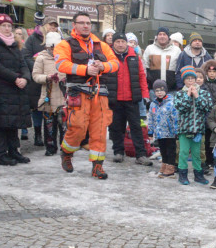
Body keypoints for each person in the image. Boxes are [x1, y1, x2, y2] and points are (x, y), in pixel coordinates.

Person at [54, 12, 120, 178]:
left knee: (99, 130)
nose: (85, 26)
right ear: (73, 25)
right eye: (81, 23)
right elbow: (61, 64)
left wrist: (102, 66)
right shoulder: (65, 44)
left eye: (88, 23)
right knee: (77, 128)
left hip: (99, 93)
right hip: (78, 93)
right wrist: (85, 69)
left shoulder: (101, 45)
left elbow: (115, 63)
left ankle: (97, 166)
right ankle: (66, 153)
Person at [0, 14, 33, 166]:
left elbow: (23, 63)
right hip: (0, 88)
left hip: (16, 89)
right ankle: (1, 154)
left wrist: (25, 78)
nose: (7, 29)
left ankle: (14, 150)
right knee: (0, 122)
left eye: (9, 26)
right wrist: (15, 78)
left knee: (13, 122)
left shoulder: (14, 43)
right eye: (3, 26)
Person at [106, 32, 151, 165]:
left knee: (136, 127)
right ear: (113, 44)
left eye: (122, 42)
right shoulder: (108, 57)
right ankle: (118, 152)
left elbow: (142, 76)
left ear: (126, 43)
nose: (120, 44)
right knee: (116, 128)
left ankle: (140, 155)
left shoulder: (135, 57)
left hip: (132, 99)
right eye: (117, 42)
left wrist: (145, 95)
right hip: (115, 99)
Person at [22, 16, 60, 146]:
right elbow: (25, 56)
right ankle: (38, 134)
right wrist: (38, 69)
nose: (53, 28)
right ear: (44, 25)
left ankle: (52, 136)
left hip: (55, 81)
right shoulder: (33, 39)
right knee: (38, 107)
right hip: (38, 80)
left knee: (53, 108)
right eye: (50, 25)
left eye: (55, 26)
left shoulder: (60, 40)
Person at [173, 65, 213, 186]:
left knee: (197, 154)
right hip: (184, 129)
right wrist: (188, 96)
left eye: (192, 78)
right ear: (184, 80)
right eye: (187, 78)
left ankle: (198, 175)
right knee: (183, 152)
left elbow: (207, 107)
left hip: (198, 129)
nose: (190, 81)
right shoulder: (180, 94)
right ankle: (183, 175)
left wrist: (197, 96)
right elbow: (181, 107)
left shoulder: (203, 93)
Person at [31, 31, 66, 156]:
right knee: (49, 124)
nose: (54, 49)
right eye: (52, 47)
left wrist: (66, 79)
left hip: (63, 96)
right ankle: (50, 147)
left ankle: (65, 147)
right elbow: (35, 76)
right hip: (48, 95)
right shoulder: (41, 58)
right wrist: (47, 77)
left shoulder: (65, 57)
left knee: (64, 124)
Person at [147, 79, 178, 178]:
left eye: (161, 90)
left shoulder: (171, 103)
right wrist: (150, 132)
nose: (159, 93)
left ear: (166, 90)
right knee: (163, 150)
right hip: (160, 133)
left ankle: (170, 167)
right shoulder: (153, 104)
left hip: (170, 133)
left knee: (170, 150)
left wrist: (177, 131)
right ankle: (164, 165)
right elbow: (151, 118)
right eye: (157, 91)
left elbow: (176, 118)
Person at [143, 27, 181, 92]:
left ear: (168, 37)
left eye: (164, 34)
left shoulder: (176, 50)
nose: (162, 36)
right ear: (156, 36)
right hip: (153, 90)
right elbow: (144, 67)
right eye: (160, 34)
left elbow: (179, 69)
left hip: (171, 90)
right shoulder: (149, 49)